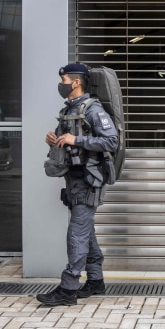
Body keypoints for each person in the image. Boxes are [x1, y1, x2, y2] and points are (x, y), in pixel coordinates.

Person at [36, 63, 119, 307]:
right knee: (86, 231)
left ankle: (68, 288)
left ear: (76, 82)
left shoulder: (93, 110)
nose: (60, 83)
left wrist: (77, 139)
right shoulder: (68, 110)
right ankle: (95, 281)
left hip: (88, 179)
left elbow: (111, 140)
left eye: (63, 79)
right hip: (73, 178)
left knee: (77, 233)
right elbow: (68, 142)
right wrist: (54, 139)